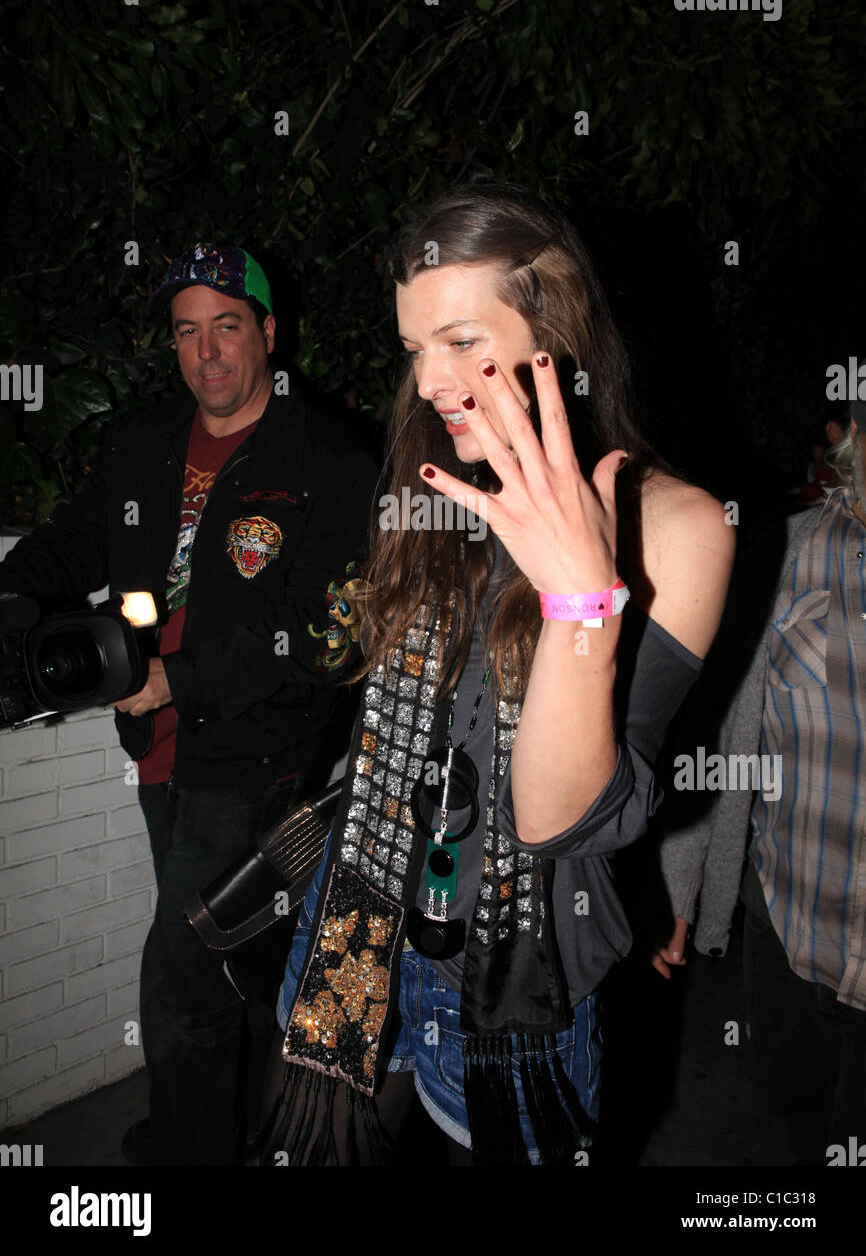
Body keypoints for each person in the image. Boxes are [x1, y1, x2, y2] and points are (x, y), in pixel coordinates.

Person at [259, 183, 735, 1166]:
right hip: (355, 929)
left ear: (553, 332)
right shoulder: (430, 489)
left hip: (510, 982)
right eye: (412, 349)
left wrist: (576, 607)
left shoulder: (676, 523)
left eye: (463, 340)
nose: (431, 379)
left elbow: (560, 821)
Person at [0, 243, 378, 1165]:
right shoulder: (143, 442)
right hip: (155, 744)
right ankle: (231, 1120)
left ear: (269, 334)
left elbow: (328, 637)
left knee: (180, 979)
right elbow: (79, 535)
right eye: (186, 331)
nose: (208, 352)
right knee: (225, 956)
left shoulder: (331, 457)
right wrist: (14, 594)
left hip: (254, 753)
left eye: (227, 326)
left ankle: (190, 1147)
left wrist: (180, 676)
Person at [655, 389, 866, 1165]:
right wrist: (678, 896)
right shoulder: (785, 556)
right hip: (789, 939)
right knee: (802, 1131)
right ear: (849, 441)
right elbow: (721, 728)